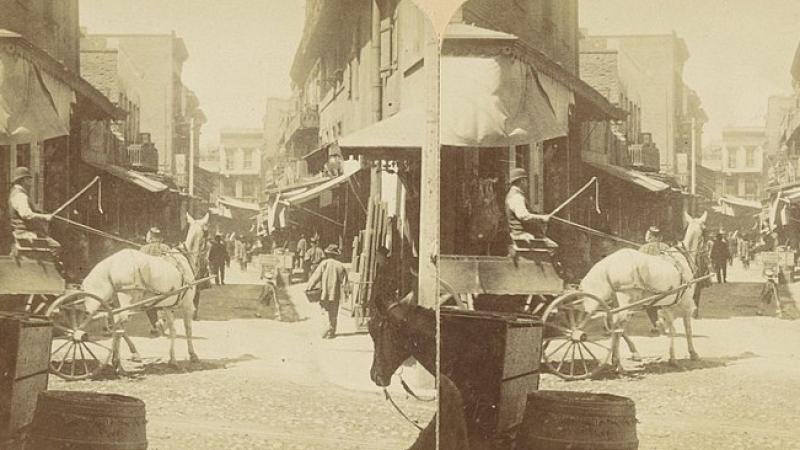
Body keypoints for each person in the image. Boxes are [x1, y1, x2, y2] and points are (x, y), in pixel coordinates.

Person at [8, 166, 58, 251]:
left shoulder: (17, 193)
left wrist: (40, 213)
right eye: (29, 179)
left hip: (24, 232)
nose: (31, 182)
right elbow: (26, 214)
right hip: (25, 233)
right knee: (55, 246)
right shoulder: (20, 195)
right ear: (23, 180)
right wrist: (45, 217)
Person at [306, 244, 349, 339]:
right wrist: (346, 293)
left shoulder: (324, 264)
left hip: (324, 293)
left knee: (324, 311)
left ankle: (327, 327)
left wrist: (309, 287)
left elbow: (315, 277)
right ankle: (331, 331)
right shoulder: (340, 266)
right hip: (335, 294)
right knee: (334, 313)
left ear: (328, 254)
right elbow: (345, 281)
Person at [504, 168, 550, 251]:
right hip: (523, 235)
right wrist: (541, 218)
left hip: (522, 234)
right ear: (522, 181)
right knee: (552, 247)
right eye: (526, 180)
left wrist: (539, 214)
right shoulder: (516, 196)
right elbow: (523, 216)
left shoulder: (513, 195)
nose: (527, 183)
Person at [638, 226, 671, 334]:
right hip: (664, 281)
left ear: (651, 236)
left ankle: (656, 323)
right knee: (662, 302)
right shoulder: (666, 247)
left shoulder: (644, 248)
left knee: (649, 304)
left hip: (649, 282)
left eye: (648, 235)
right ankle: (661, 321)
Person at [139, 227, 171, 336]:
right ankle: (161, 320)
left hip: (149, 282)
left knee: (149, 304)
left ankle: (154, 325)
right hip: (163, 281)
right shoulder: (166, 248)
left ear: (151, 237)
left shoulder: (143, 249)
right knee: (163, 302)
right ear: (160, 237)